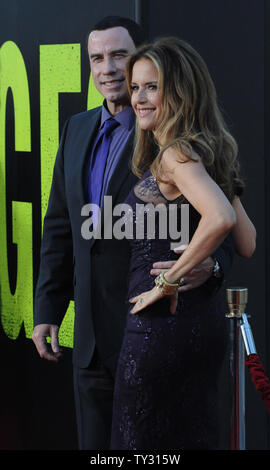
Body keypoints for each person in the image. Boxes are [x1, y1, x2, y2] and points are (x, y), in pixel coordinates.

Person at [32, 17, 235, 450]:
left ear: (144, 61)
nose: (106, 69)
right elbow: (61, 226)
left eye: (118, 56)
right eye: (96, 58)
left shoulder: (173, 137)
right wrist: (47, 306)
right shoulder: (75, 130)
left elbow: (226, 232)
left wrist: (209, 267)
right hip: (88, 341)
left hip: (152, 333)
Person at [110, 37, 256, 450]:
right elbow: (247, 243)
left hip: (158, 331)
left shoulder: (175, 154)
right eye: (135, 87)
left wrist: (168, 280)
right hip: (199, 329)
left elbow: (224, 221)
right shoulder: (205, 154)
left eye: (151, 87)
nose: (138, 97)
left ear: (179, 91)